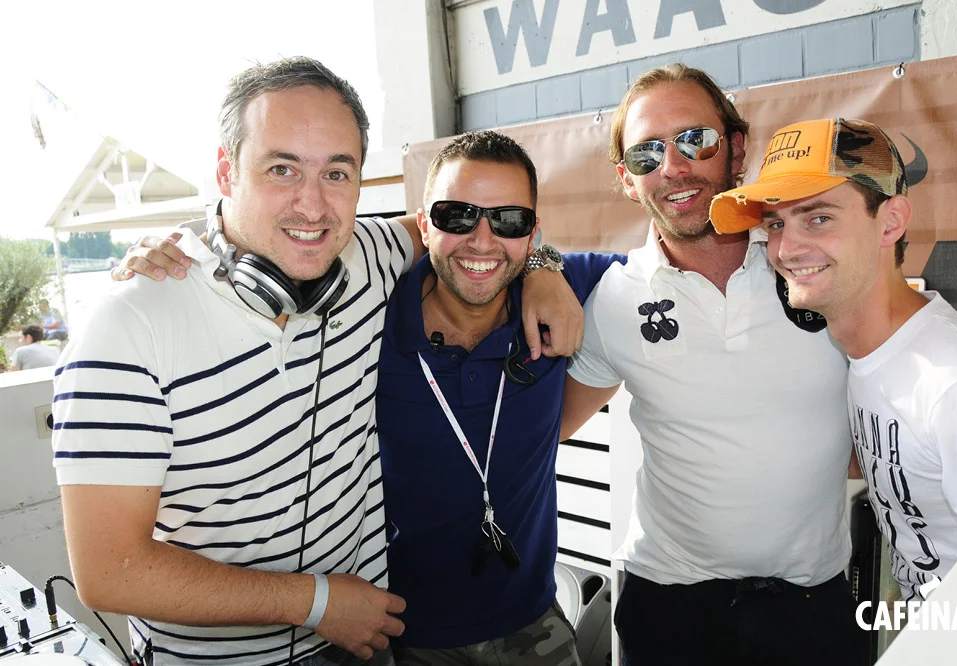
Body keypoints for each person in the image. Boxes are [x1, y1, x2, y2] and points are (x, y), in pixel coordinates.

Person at [54, 57, 578, 666]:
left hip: (365, 643)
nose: (312, 205)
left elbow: (470, 237)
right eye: (282, 169)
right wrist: (316, 602)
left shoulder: (369, 256)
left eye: (336, 173)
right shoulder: (127, 326)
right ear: (226, 172)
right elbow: (109, 571)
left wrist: (542, 266)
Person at [559, 65, 865, 665]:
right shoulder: (613, 300)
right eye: (646, 153)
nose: (673, 166)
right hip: (667, 609)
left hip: (811, 604)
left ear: (738, 149)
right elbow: (544, 433)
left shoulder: (813, 268)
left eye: (695, 140)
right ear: (627, 179)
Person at [709, 117, 957, 602]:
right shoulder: (868, 353)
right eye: (776, 224)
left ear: (891, 221)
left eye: (818, 218)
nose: (786, 249)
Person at [377, 131, 620, 665]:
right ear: (424, 224)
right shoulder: (369, 321)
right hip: (396, 631)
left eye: (508, 220)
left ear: (532, 232)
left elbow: (673, 269)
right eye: (457, 215)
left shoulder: (575, 285)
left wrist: (545, 265)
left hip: (531, 623)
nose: (482, 240)